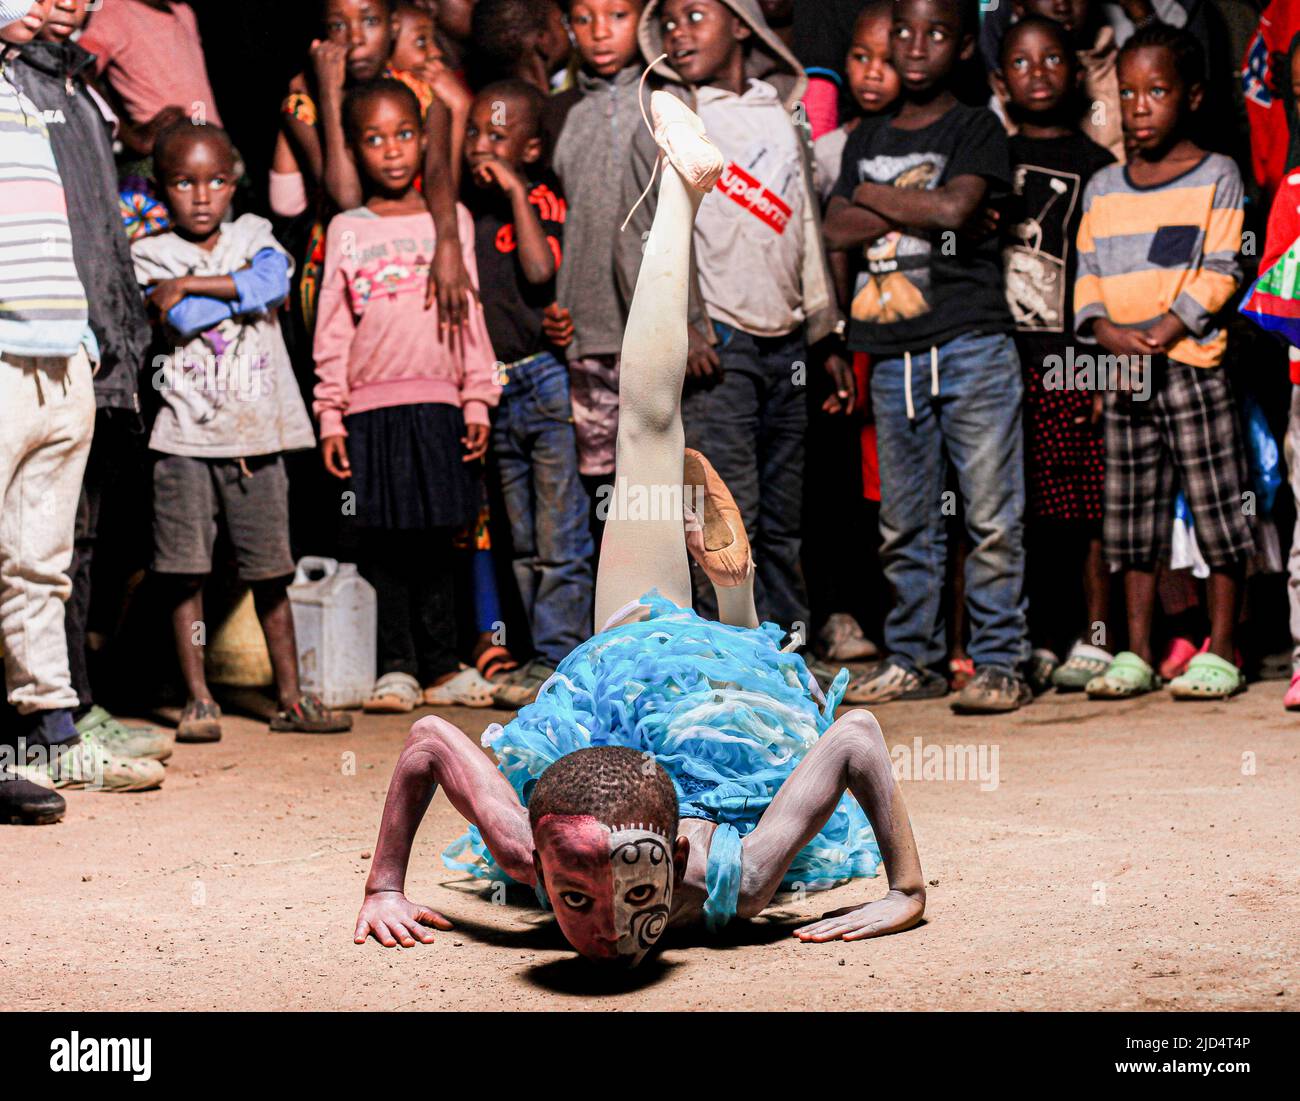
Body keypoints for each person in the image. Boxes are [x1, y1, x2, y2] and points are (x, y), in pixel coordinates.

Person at [353, 92, 926, 964]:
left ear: (679, 857)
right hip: (696, 703)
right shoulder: (699, 873)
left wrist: (387, 882)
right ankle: (735, 613)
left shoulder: (665, 866)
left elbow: (432, 740)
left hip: (623, 666)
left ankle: (738, 623)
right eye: (576, 893)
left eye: (614, 890)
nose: (606, 922)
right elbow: (858, 739)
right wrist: (901, 887)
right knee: (648, 441)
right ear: (545, 853)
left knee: (644, 436)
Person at [823, 0, 1031, 712]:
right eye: (903, 32)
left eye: (936, 33)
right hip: (889, 354)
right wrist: (920, 199)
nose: (915, 46)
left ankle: (1001, 659)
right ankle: (916, 657)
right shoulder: (868, 133)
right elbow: (833, 228)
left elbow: (954, 212)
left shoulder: (976, 126)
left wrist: (875, 195)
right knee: (904, 521)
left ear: (965, 46)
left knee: (992, 515)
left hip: (971, 342)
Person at [616, 0, 839, 637]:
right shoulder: (674, 117)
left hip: (786, 337)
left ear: (742, 24)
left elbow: (805, 226)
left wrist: (822, 332)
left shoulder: (781, 110)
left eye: (697, 16)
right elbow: (645, 233)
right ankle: (726, 669)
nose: (679, 33)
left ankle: (785, 665)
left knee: (783, 519)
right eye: (671, 22)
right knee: (722, 518)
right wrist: (687, 320)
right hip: (722, 343)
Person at [134, 122, 351, 739]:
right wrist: (221, 293)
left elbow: (273, 283)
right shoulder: (147, 254)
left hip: (257, 439)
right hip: (183, 440)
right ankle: (198, 699)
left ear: (235, 182)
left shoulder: (254, 233)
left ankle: (291, 698)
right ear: (161, 188)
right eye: (183, 182)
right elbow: (182, 316)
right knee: (183, 572)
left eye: (216, 180)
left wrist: (196, 283)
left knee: (270, 572)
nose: (201, 195)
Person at [1, 0, 164, 816]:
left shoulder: (41, 89)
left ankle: (48, 734)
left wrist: (85, 342)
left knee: (40, 560)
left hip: (60, 354)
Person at [1075, 25, 1251, 700]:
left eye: (1156, 91)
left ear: (1193, 95)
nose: (1139, 106)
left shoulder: (1218, 175)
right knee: (1129, 512)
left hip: (1192, 362)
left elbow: (1222, 265)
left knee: (1215, 504)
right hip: (1120, 366)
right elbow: (1087, 274)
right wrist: (1105, 331)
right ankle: (1135, 650)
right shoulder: (1104, 186)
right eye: (1127, 93)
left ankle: (1224, 647)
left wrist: (1167, 325)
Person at [313, 80, 501, 713]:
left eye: (403, 135)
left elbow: (471, 315)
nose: (391, 150)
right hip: (369, 409)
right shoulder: (346, 228)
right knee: (384, 539)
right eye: (374, 138)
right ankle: (395, 667)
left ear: (424, 141)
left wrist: (477, 397)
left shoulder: (450, 223)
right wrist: (330, 414)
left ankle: (444, 665)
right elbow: (332, 328)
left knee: (441, 533)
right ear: (356, 148)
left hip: (440, 403)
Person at [993, 15, 1116, 692]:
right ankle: (1034, 638)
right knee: (1014, 509)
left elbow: (1106, 273)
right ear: (998, 77)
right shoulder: (990, 152)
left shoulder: (1098, 166)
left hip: (1068, 357)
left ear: (1077, 72)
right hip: (996, 355)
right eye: (1020, 61)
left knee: (1081, 505)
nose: (1037, 74)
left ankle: (1093, 637)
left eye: (1051, 60)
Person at [463, 80, 594, 710]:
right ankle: (538, 656)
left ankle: (561, 658)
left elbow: (541, 273)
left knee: (559, 533)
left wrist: (516, 189)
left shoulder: (538, 196)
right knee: (519, 538)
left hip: (543, 379)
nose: (481, 146)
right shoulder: (459, 208)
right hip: (495, 384)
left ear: (532, 149)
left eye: (497, 135)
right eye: (474, 133)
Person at [270, 0, 473, 336]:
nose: (355, 38)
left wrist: (449, 245)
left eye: (370, 21)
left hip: (415, 260)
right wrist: (330, 95)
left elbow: (439, 176)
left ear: (393, 26)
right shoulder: (303, 108)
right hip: (341, 277)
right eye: (338, 26)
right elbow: (347, 198)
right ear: (323, 37)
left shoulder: (421, 97)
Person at [550, 0, 645, 499]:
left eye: (617, 16)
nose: (599, 33)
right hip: (588, 334)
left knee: (669, 485)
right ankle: (615, 582)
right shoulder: (561, 113)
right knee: (606, 493)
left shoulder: (669, 101)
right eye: (584, 19)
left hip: (656, 334)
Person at [78, 0, 223, 155]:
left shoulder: (183, 11)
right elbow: (78, 67)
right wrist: (131, 137)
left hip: (215, 143)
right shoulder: (116, 10)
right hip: (169, 152)